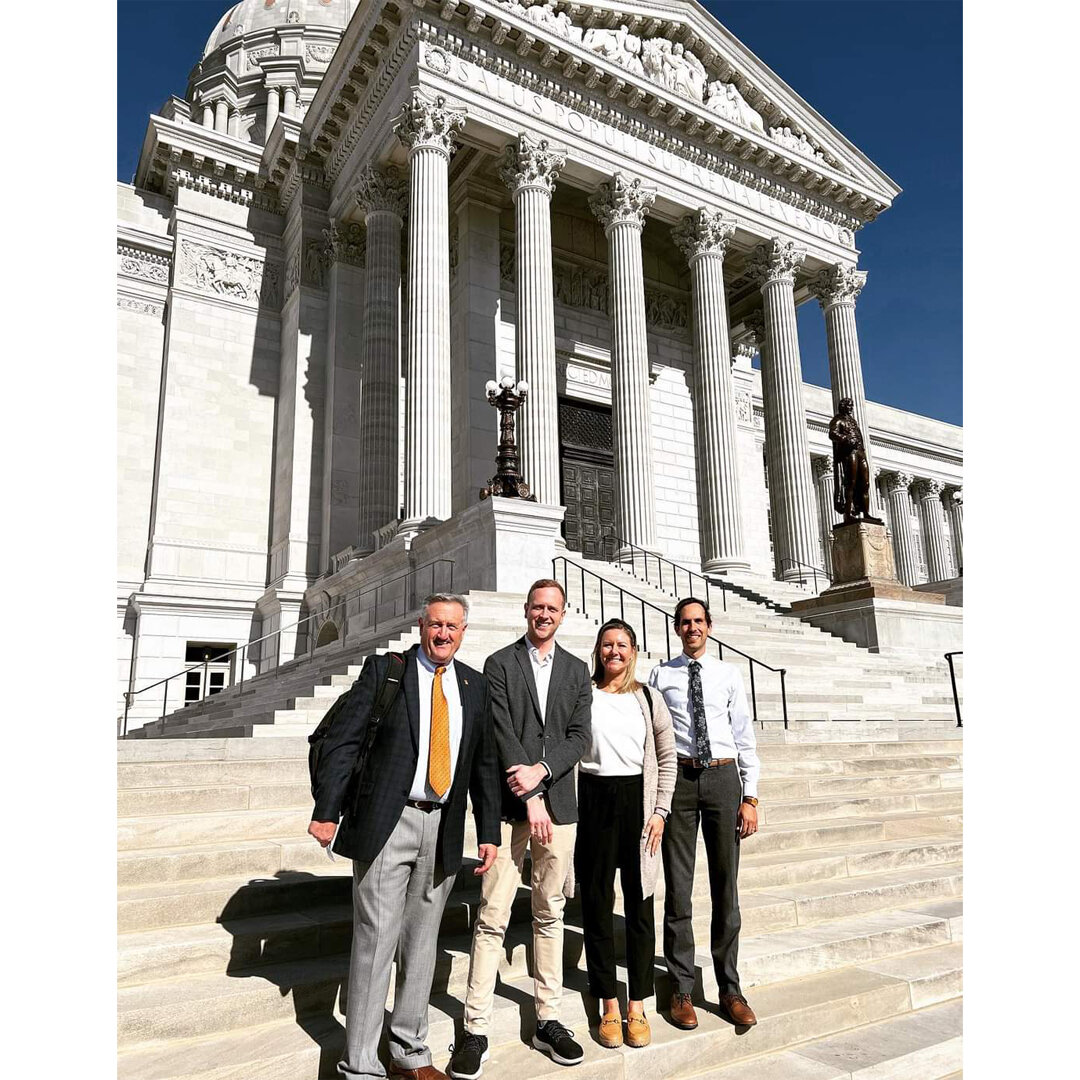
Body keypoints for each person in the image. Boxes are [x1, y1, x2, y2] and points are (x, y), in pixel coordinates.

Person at [308, 594, 502, 1080]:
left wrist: (490, 830)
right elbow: (344, 741)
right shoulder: (385, 672)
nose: (443, 634)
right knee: (375, 939)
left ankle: (409, 1052)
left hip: (443, 825)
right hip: (386, 822)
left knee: (422, 942)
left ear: (464, 632)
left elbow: (483, 764)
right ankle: (361, 1064)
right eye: (436, 625)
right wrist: (327, 810)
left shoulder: (474, 687)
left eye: (452, 627)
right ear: (421, 626)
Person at [450, 579, 592, 1078]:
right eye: (537, 607)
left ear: (564, 613)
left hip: (560, 808)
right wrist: (529, 793)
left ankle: (547, 1019)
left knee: (549, 912)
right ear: (525, 610)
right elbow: (502, 731)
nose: (544, 615)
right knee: (492, 916)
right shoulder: (499, 664)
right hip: (512, 807)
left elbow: (579, 737)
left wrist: (544, 774)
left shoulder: (577, 669)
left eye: (552, 608)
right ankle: (475, 1027)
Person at [648, 597, 761, 1031]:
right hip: (680, 781)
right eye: (684, 622)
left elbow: (743, 735)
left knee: (724, 888)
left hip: (722, 779)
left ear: (709, 627)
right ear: (677, 629)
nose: (692, 628)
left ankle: (729, 988)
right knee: (678, 888)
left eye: (698, 621)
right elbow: (656, 735)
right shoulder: (662, 674)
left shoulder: (728, 674)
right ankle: (681, 988)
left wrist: (750, 796)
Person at [575, 619, 676, 1050]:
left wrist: (660, 810)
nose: (613, 651)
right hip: (594, 800)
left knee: (639, 907)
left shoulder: (647, 698)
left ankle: (638, 1003)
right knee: (596, 905)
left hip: (638, 801)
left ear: (634, 650)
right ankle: (608, 1004)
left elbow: (667, 755)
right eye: (606, 645)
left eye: (621, 645)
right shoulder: (584, 695)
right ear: (597, 651)